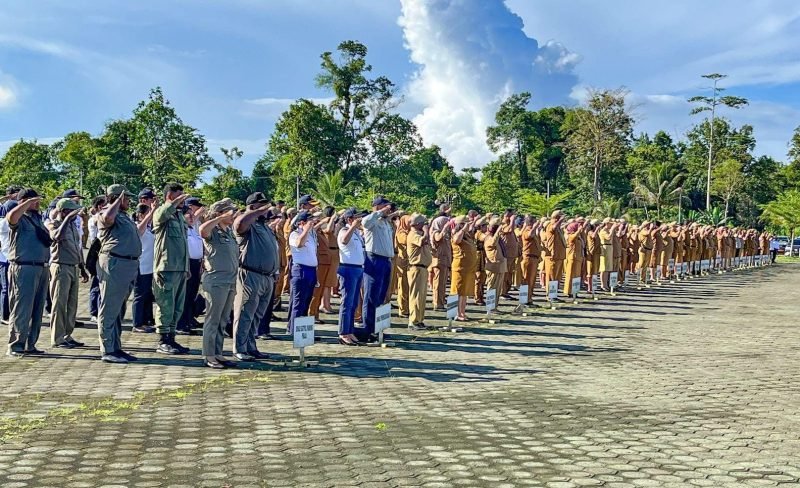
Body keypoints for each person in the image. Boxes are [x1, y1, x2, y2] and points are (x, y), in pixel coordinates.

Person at [96, 184, 141, 363]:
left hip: (128, 264)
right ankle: (107, 350)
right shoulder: (106, 212)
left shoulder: (124, 217)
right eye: (126, 198)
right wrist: (115, 200)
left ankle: (116, 346)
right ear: (116, 198)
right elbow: (107, 218)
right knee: (109, 308)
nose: (129, 201)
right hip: (114, 263)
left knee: (118, 310)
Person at [232, 192, 279, 361]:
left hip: (267, 277)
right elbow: (239, 224)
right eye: (262, 205)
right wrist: (256, 212)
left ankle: (251, 346)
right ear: (252, 207)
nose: (267, 209)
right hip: (250, 274)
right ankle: (240, 348)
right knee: (245, 313)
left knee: (257, 315)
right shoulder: (248, 223)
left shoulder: (264, 225)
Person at [5, 189, 50, 357]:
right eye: (33, 200)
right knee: (21, 308)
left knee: (37, 309)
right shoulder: (20, 218)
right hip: (23, 267)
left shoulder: (38, 219)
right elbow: (12, 217)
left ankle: (30, 344)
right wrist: (26, 203)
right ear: (22, 201)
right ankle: (16, 345)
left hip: (41, 267)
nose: (37, 203)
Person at [199, 198, 239, 369]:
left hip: (230, 280)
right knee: (213, 319)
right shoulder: (212, 230)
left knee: (223, 319)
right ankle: (208, 355)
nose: (233, 215)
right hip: (216, 280)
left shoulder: (228, 231)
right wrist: (218, 217)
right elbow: (202, 230)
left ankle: (217, 352)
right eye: (229, 212)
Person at [151, 183, 191, 355]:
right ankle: (162, 340)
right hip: (166, 268)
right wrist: (172, 203)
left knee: (177, 307)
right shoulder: (162, 213)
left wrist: (186, 267)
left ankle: (172, 338)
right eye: (178, 196)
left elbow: (183, 244)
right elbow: (161, 214)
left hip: (180, 268)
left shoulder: (179, 217)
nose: (183, 200)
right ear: (169, 196)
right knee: (165, 305)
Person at [47, 198, 90, 349]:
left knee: (72, 304)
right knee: (59, 303)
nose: (75, 214)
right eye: (72, 211)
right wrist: (66, 220)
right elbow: (56, 237)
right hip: (60, 267)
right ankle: (57, 338)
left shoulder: (72, 225)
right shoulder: (54, 223)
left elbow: (78, 247)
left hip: (73, 266)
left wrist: (82, 267)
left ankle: (67, 334)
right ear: (64, 211)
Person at [358, 197, 395, 343]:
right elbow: (365, 222)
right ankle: (368, 329)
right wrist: (380, 212)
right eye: (385, 206)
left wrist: (387, 214)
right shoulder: (372, 220)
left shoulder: (385, 222)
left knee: (381, 296)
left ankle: (377, 328)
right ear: (377, 207)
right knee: (371, 296)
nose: (389, 209)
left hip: (386, 260)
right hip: (374, 259)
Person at [337, 208, 366, 345]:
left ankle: (349, 330)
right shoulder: (344, 230)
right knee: (347, 302)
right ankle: (343, 332)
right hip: (348, 268)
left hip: (358, 269)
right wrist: (353, 226)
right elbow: (343, 241)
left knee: (354, 303)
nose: (359, 220)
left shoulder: (357, 233)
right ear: (349, 219)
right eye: (356, 218)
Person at [288, 210, 318, 333]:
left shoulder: (311, 235)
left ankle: (302, 331)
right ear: (302, 222)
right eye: (310, 221)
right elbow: (299, 244)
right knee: (298, 302)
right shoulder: (295, 234)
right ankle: (293, 330)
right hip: (300, 269)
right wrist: (305, 229)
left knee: (306, 301)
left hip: (311, 270)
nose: (313, 223)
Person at [177, 207, 204, 334]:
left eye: (193, 214)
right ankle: (181, 323)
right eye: (188, 214)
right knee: (185, 295)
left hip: (196, 263)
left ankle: (188, 321)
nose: (192, 216)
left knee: (191, 295)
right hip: (186, 263)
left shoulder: (193, 229)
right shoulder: (182, 229)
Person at [132, 203, 156, 333]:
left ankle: (146, 320)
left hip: (149, 267)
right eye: (147, 213)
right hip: (140, 267)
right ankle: (137, 323)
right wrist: (151, 213)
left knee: (147, 295)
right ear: (140, 215)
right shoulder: (137, 226)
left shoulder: (148, 228)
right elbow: (139, 232)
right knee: (139, 296)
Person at [309, 207, 336, 322]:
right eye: (317, 218)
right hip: (319, 262)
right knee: (316, 290)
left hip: (325, 262)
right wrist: (323, 221)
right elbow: (312, 230)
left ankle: (315, 314)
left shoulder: (319, 231)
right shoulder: (313, 230)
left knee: (320, 290)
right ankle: (311, 313)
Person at [406, 213, 432, 330]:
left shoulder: (419, 233)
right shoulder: (413, 234)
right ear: (417, 224)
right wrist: (427, 231)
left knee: (421, 296)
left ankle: (420, 319)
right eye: (423, 223)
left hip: (423, 268)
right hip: (416, 267)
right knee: (415, 295)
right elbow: (422, 241)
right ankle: (413, 320)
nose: (424, 225)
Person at [450, 215, 477, 321]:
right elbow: (456, 240)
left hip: (468, 268)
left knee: (464, 292)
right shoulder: (456, 233)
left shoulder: (467, 235)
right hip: (460, 267)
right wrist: (462, 229)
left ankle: (462, 312)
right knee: (458, 291)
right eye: (465, 224)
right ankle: (456, 313)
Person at [483, 217, 506, 312]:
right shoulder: (488, 237)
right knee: (492, 287)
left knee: (498, 288)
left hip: (500, 266)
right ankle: (490, 307)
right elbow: (493, 243)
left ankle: (494, 307)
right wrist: (498, 232)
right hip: (493, 267)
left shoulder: (498, 238)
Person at [429, 215, 451, 311]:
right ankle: (437, 304)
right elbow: (438, 238)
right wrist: (445, 228)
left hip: (445, 261)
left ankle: (441, 302)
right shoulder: (435, 232)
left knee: (442, 284)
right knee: (438, 284)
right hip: (439, 261)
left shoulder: (446, 234)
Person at [520, 216, 542, 304]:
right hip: (528, 258)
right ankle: (524, 299)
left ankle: (529, 299)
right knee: (526, 279)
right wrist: (535, 227)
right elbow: (530, 235)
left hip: (534, 258)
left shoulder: (533, 231)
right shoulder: (526, 231)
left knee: (531, 280)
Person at [543, 211, 567, 294]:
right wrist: (560, 220)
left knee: (557, 277)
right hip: (552, 256)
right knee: (551, 276)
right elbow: (553, 228)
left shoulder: (559, 228)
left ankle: (554, 294)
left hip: (559, 256)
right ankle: (550, 294)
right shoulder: (550, 225)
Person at [394, 215, 411, 318]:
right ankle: (403, 309)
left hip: (409, 262)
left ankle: (407, 307)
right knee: (403, 286)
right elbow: (406, 241)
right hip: (403, 262)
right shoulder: (401, 232)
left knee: (408, 287)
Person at [564, 220, 586, 296]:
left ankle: (574, 291)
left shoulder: (579, 237)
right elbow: (573, 237)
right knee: (570, 275)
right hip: (572, 258)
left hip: (578, 258)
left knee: (576, 276)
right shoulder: (570, 236)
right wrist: (578, 230)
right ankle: (568, 291)